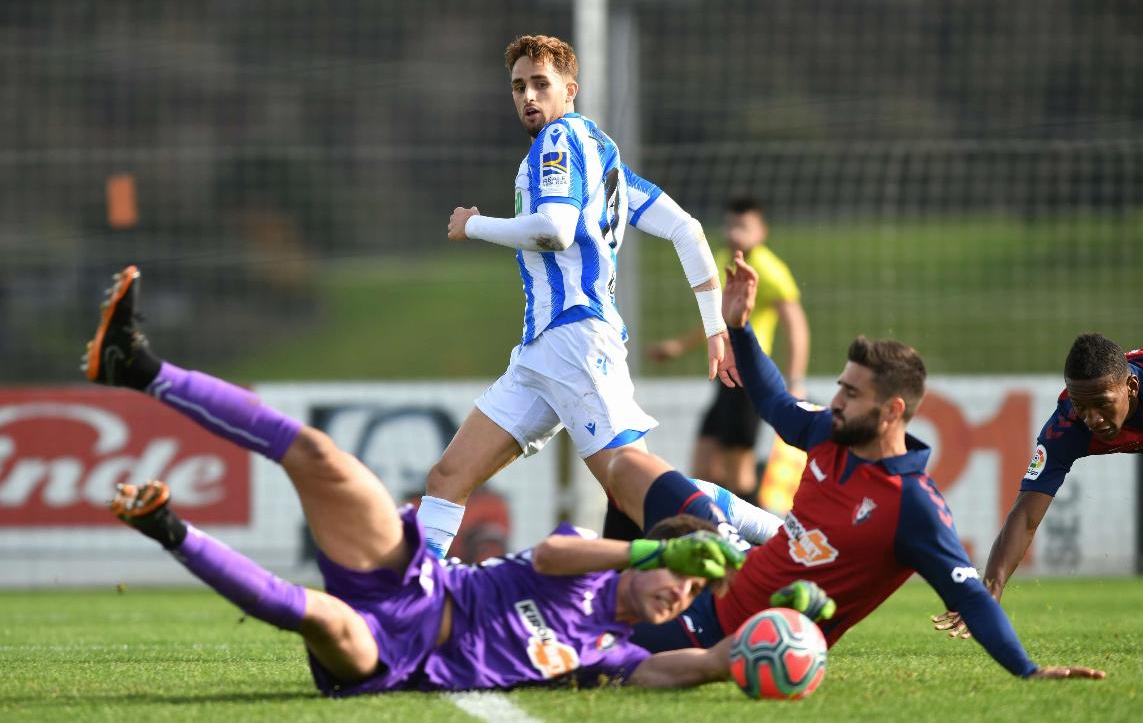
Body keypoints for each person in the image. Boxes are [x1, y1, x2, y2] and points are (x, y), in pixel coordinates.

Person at [83, 265, 748, 695]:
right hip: (416, 582)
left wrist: (735, 658)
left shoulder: (607, 649)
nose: (682, 593)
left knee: (316, 618)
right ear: (653, 558)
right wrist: (654, 550)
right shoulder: (591, 566)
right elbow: (551, 553)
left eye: (692, 588)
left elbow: (669, 668)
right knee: (320, 457)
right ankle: (139, 368)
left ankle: (171, 531)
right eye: (682, 575)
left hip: (397, 657)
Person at [612, 252, 1104, 681]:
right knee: (629, 465)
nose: (837, 400)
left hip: (736, 627)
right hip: (737, 564)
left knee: (586, 651)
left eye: (851, 392)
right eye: (841, 387)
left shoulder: (913, 505)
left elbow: (971, 596)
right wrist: (739, 329)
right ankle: (607, 569)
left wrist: (1029, 670)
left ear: (891, 411)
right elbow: (775, 401)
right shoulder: (830, 431)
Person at [431, 34, 735, 557]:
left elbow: (555, 229)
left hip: (576, 338)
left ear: (570, 90)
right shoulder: (603, 155)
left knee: (634, 487)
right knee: (447, 476)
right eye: (518, 86)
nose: (528, 96)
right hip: (540, 353)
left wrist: (475, 226)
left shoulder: (559, 141)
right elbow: (688, 229)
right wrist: (713, 325)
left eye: (540, 84)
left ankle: (766, 544)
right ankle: (416, 605)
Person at [933, 334, 1143, 639]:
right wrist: (992, 589)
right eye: (1081, 405)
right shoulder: (1067, 427)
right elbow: (1026, 514)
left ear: (1132, 387)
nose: (1092, 419)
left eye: (1102, 403)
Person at [648, 196, 809, 503]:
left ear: (762, 232)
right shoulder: (722, 258)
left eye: (744, 226)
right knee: (703, 466)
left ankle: (758, 544)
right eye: (731, 224)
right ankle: (712, 536)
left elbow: (796, 325)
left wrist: (795, 380)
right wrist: (678, 347)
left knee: (739, 473)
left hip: (747, 377)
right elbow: (718, 320)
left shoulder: (768, 270)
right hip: (727, 378)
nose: (736, 232)